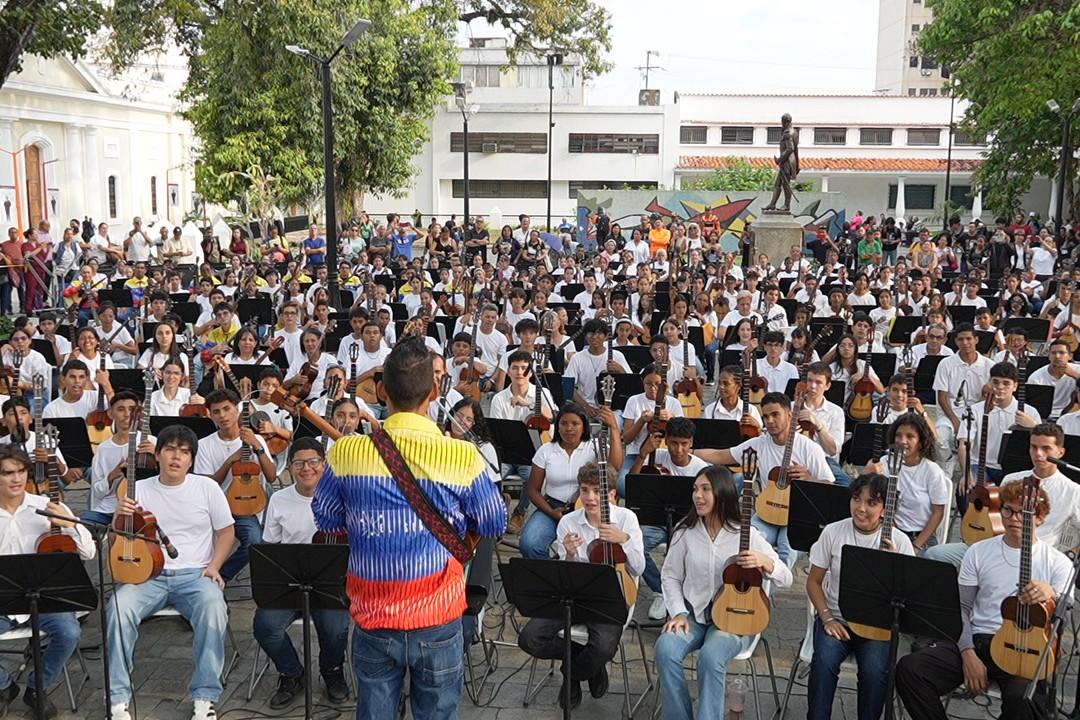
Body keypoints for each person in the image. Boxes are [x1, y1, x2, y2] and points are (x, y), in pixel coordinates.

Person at [312, 336, 506, 720]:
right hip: (438, 617)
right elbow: (495, 521)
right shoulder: (462, 455)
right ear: (434, 391)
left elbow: (327, 519)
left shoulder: (346, 452)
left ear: (382, 391)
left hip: (373, 617)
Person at [895, 481, 1072, 720]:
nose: (1014, 518)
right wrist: (967, 653)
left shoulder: (1058, 562)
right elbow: (962, 608)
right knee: (911, 670)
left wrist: (1051, 594)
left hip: (1025, 649)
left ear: (1040, 518)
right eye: (1008, 510)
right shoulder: (978, 552)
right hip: (979, 640)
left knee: (1024, 700)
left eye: (1023, 513)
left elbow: (1064, 618)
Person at [107, 425, 235, 720]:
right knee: (117, 608)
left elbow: (226, 532)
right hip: (147, 574)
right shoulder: (138, 489)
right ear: (157, 454)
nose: (176, 457)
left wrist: (214, 566)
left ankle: (205, 697)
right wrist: (117, 517)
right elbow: (115, 542)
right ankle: (117, 699)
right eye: (170, 450)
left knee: (214, 607)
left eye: (184, 452)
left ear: (191, 459)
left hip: (195, 574)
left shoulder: (206, 488)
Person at [654, 466, 792, 720]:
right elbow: (670, 576)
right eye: (695, 489)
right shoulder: (685, 531)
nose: (698, 495)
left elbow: (787, 578)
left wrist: (765, 561)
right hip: (693, 616)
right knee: (665, 649)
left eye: (706, 489)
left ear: (722, 493)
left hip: (734, 621)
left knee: (711, 656)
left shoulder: (746, 533)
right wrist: (678, 612)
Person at [517, 461, 644, 710]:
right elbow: (564, 575)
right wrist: (570, 554)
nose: (590, 497)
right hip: (573, 596)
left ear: (612, 494)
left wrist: (624, 540)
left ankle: (572, 673)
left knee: (604, 648)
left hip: (611, 598)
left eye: (597, 491)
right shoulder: (568, 522)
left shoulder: (626, 518)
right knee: (529, 639)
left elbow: (638, 569)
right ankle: (583, 660)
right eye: (585, 490)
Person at [806, 473, 915, 720]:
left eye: (871, 503)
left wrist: (894, 563)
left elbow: (907, 599)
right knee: (823, 662)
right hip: (837, 618)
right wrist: (827, 618)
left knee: (875, 671)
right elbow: (813, 581)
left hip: (877, 626)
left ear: (886, 509)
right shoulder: (833, 531)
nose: (861, 508)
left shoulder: (900, 541)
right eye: (856, 499)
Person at [253, 438, 350, 708]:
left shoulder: (342, 497)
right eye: (299, 463)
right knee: (265, 626)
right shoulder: (279, 499)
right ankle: (292, 673)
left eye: (313, 462)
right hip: (290, 584)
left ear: (324, 464)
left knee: (336, 629)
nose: (306, 468)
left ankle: (332, 672)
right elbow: (270, 547)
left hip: (330, 584)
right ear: (291, 467)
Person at [0, 444, 93, 718]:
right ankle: (4, 686)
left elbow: (89, 552)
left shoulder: (46, 506)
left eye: (21, 471)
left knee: (69, 632)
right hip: (3, 600)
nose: (16, 479)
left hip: (45, 599)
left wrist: (70, 525)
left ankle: (36, 688)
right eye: (7, 473)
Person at [695, 392, 832, 564]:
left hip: (796, 516)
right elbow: (720, 455)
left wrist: (809, 478)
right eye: (765, 416)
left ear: (789, 415)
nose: (770, 421)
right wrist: (688, 451)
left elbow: (829, 486)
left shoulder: (810, 448)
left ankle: (772, 582)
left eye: (775, 415)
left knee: (786, 555)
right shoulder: (759, 444)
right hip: (767, 511)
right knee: (746, 545)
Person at [520, 402, 624, 560]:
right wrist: (551, 512)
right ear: (557, 426)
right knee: (529, 544)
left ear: (584, 427)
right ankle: (550, 572)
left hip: (586, 508)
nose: (569, 428)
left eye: (575, 423)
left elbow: (614, 467)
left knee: (590, 550)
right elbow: (533, 489)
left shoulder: (594, 447)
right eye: (564, 423)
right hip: (552, 507)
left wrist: (614, 428)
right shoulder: (546, 450)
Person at [194, 388, 275, 580]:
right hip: (216, 508)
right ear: (210, 415)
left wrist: (257, 447)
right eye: (216, 412)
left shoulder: (257, 439)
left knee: (254, 541)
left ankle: (220, 575)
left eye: (227, 409)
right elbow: (206, 485)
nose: (222, 416)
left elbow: (271, 476)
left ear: (237, 410)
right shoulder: (204, 445)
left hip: (245, 508)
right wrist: (230, 461)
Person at [865, 412, 947, 555]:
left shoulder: (932, 470)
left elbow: (938, 513)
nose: (902, 441)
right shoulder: (884, 463)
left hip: (920, 538)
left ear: (920, 441)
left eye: (910, 436)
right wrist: (866, 474)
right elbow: (869, 499)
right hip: (889, 531)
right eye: (898, 435)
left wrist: (915, 546)